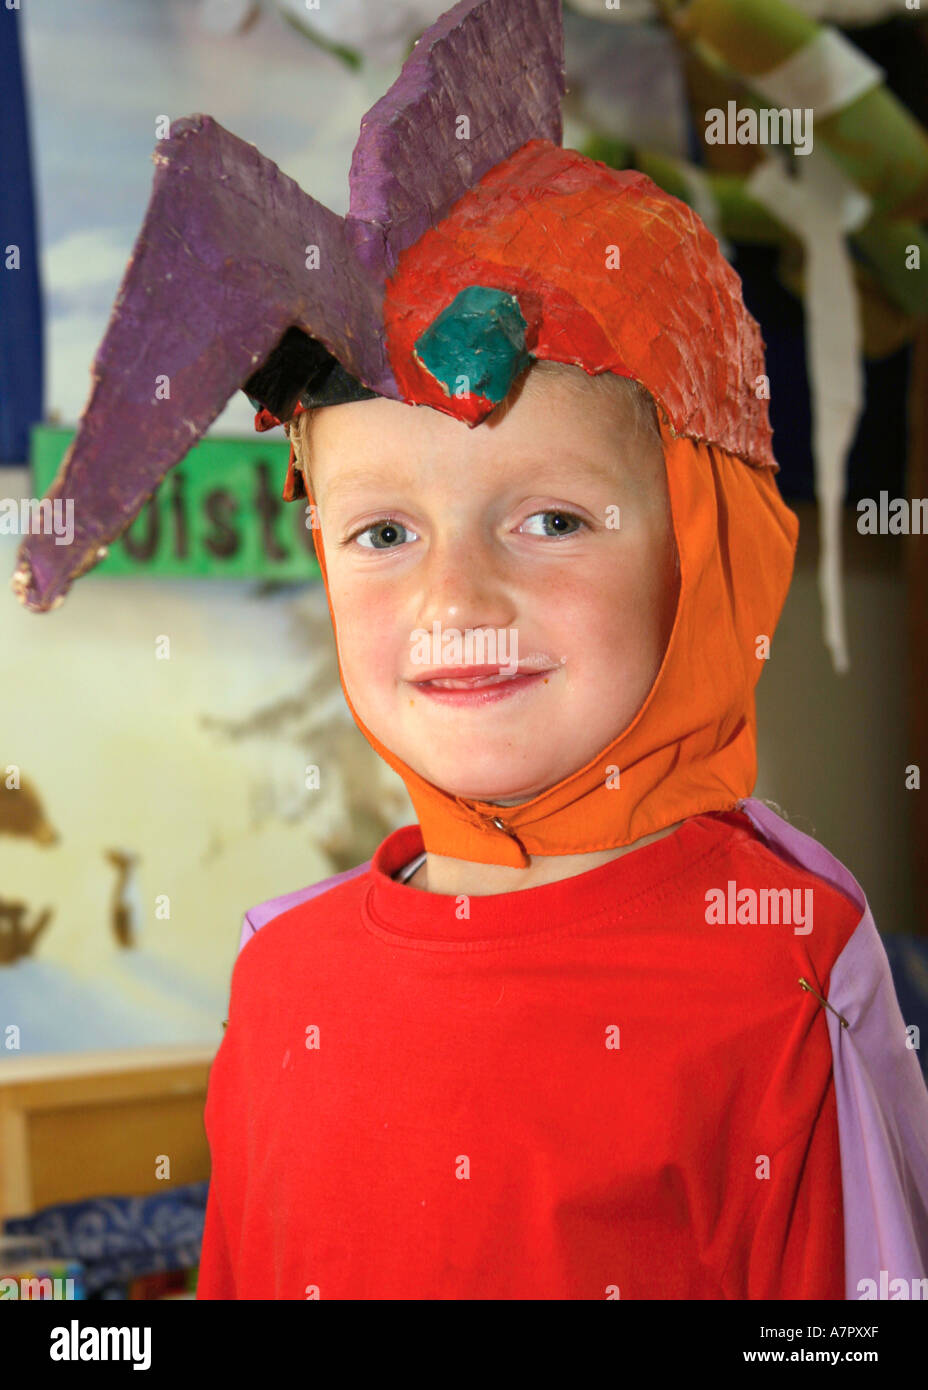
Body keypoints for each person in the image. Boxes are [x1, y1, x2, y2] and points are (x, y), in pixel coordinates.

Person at [12, 0, 927, 1299]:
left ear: (708, 546)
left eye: (550, 517)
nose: (457, 590)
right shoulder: (279, 975)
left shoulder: (791, 974)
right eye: (384, 530)